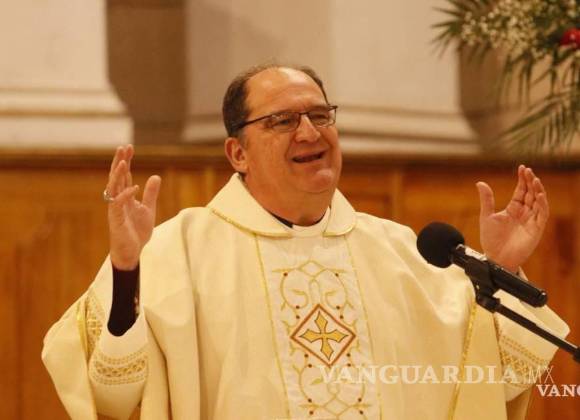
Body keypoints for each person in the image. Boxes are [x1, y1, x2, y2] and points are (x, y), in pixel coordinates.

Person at [42, 64, 569, 420]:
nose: (310, 133)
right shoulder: (177, 252)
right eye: (283, 121)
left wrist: (502, 268)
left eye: (320, 115)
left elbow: (494, 377)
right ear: (238, 153)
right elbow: (112, 394)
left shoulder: (402, 253)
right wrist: (126, 268)